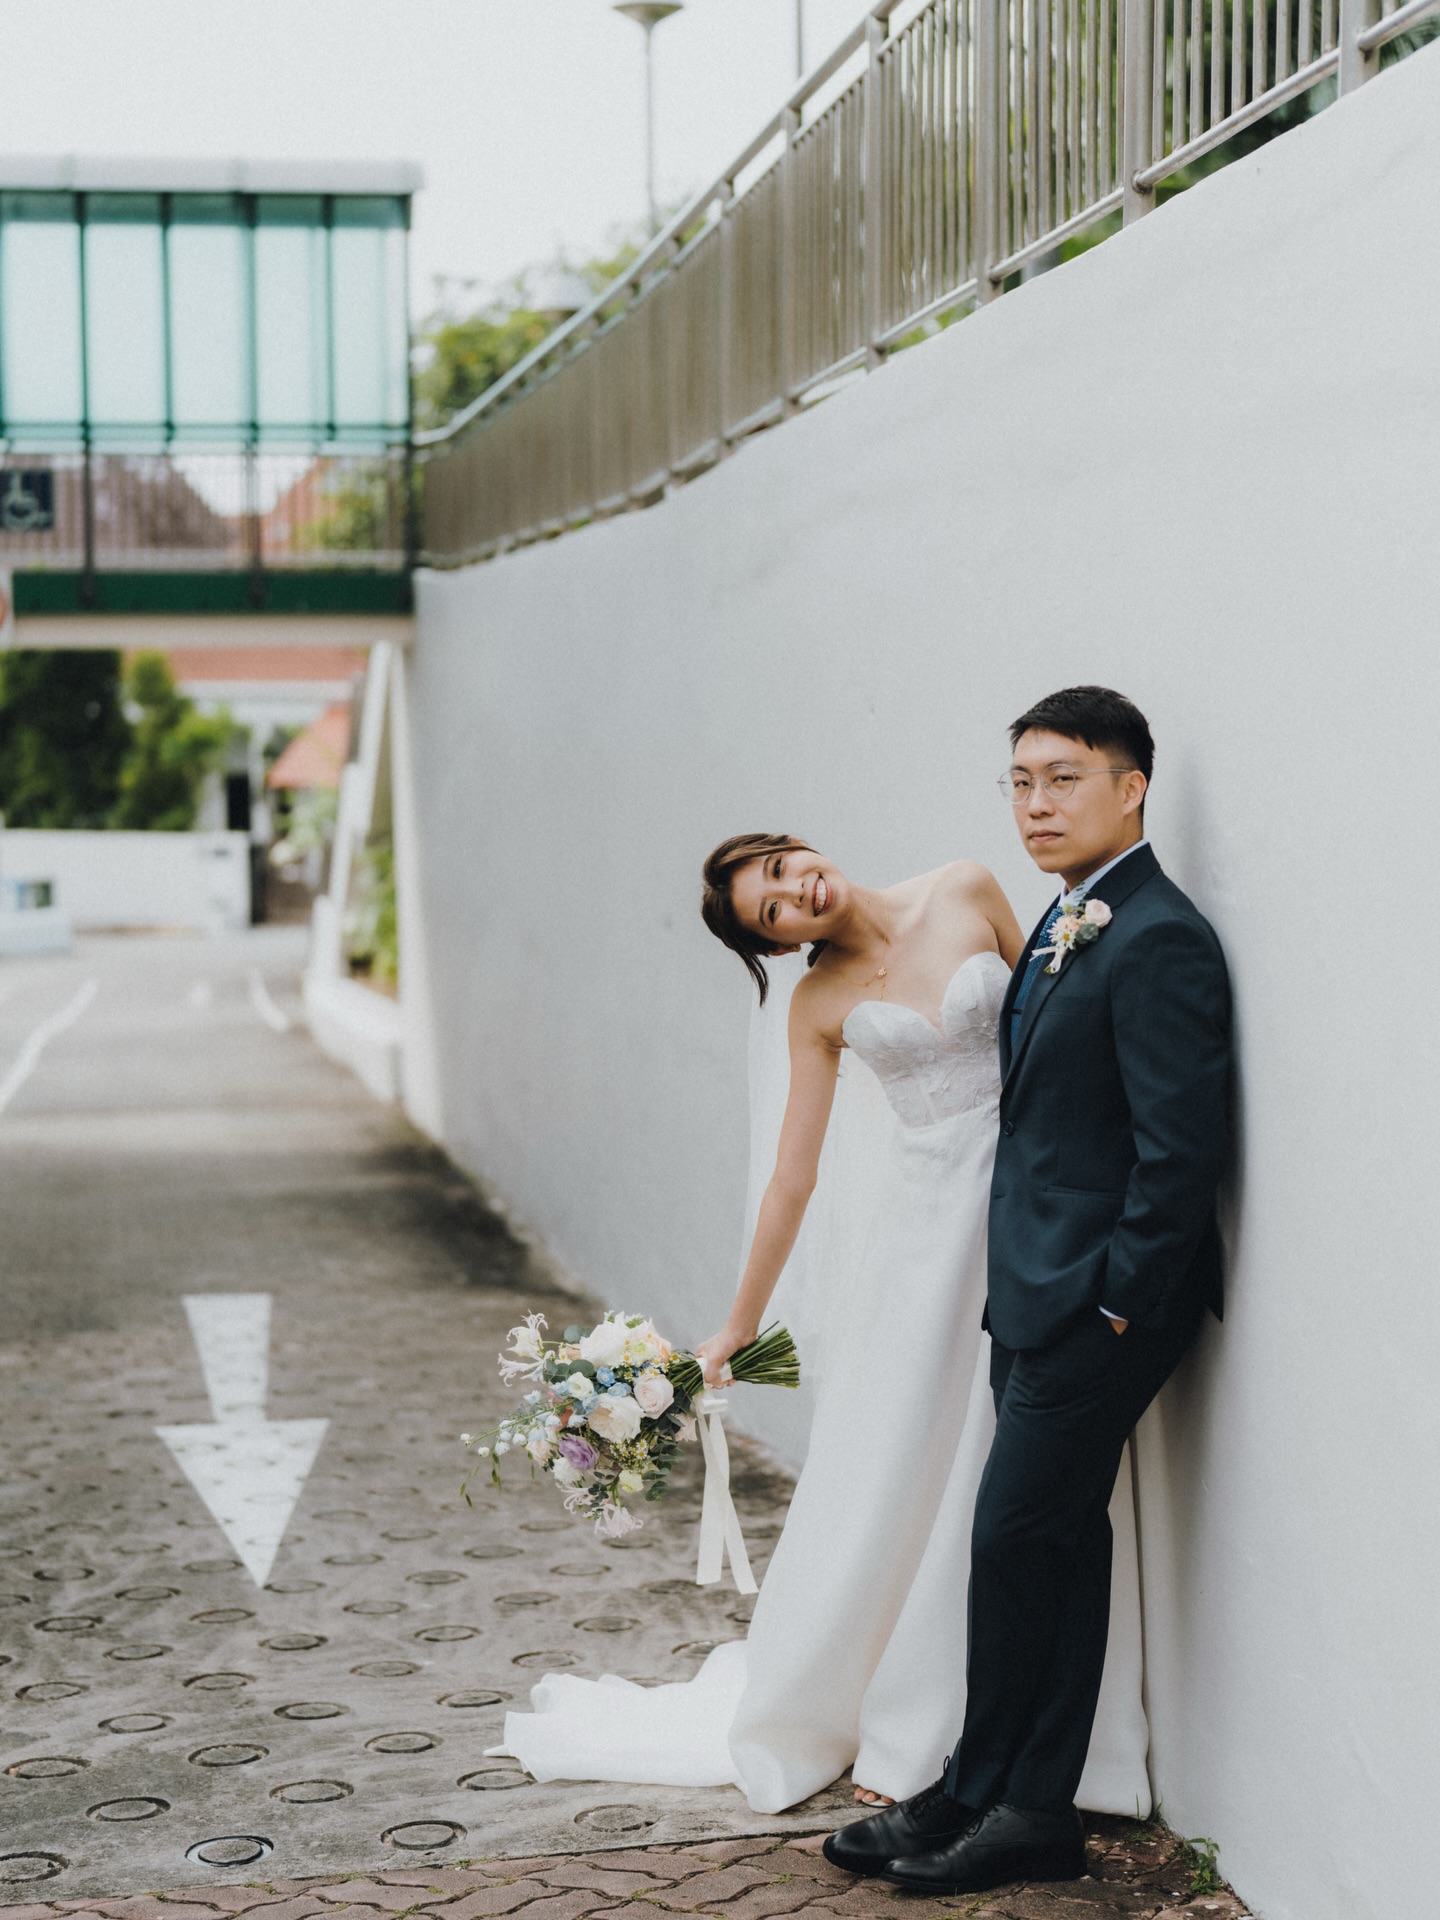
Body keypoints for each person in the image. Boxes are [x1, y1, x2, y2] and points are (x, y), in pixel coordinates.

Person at [493, 829, 1153, 1818]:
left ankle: (1012, 1720)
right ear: (777, 946)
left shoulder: (965, 889)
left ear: (802, 848)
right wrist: (735, 1325)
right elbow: (791, 1180)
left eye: (783, 871)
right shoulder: (819, 1003)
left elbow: (1052, 1024)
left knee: (1012, 1463)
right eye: (773, 914)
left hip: (1030, 1213)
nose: (797, 895)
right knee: (905, 1462)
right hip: (926, 1249)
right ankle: (902, 1710)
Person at [826, 686, 1233, 1892]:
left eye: (1063, 778)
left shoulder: (1157, 934)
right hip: (1037, 1293)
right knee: (1051, 1548)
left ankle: (1024, 1804)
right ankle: (988, 1786)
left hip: (1101, 1309)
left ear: (1131, 786)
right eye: (1020, 782)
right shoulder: (1073, 916)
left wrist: (1117, 1301)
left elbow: (1180, 1149)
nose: (1037, 804)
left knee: (1012, 1540)